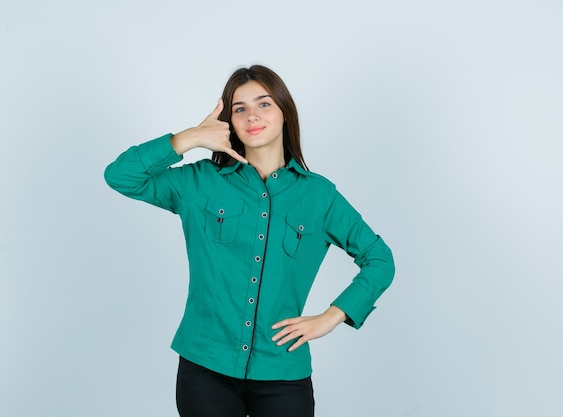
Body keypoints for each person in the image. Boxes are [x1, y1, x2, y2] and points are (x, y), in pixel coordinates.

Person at [104, 64, 395, 417]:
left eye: (264, 104)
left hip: (283, 373)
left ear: (285, 112)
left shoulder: (320, 197)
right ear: (229, 121)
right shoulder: (199, 183)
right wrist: (191, 137)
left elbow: (379, 258)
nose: (252, 116)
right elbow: (121, 176)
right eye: (239, 108)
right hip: (205, 366)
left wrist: (333, 316)